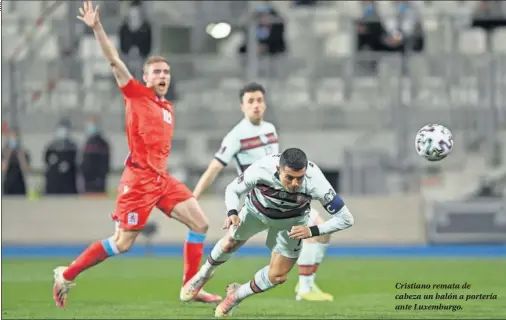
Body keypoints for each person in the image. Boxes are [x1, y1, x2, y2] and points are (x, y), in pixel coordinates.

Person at [52, 0, 221, 308]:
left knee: (200, 224)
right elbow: (115, 62)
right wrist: (97, 27)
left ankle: (190, 287)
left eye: (166, 72)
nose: (163, 76)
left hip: (162, 179)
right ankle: (66, 273)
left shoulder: (168, 108)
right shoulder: (135, 94)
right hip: (139, 180)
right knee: (123, 243)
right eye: (156, 72)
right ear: (145, 77)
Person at [192, 82, 334, 301]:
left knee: (322, 231)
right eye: (250, 101)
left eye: (259, 100)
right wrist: (194, 197)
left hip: (285, 201)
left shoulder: (270, 129)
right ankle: (202, 276)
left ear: (265, 104)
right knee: (230, 243)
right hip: (256, 202)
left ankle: (305, 287)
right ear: (242, 106)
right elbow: (215, 168)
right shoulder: (236, 136)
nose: (256, 105)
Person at [181, 149, 355, 317]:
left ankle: (236, 295)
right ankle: (203, 274)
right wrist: (232, 212)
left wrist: (311, 230)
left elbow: (346, 218)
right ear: (278, 170)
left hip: (292, 222)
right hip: (255, 211)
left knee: (278, 276)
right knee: (229, 243)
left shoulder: (316, 180)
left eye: (299, 179)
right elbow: (233, 188)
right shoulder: (262, 168)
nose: (295, 184)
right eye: (289, 178)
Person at [44, 120, 79, 195]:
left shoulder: (73, 147)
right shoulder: (51, 146)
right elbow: (46, 161)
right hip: (53, 186)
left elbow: (76, 163)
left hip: (68, 186)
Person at [81, 116, 110, 194]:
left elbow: (105, 160)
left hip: (99, 178)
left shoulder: (102, 143)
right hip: (88, 178)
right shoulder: (87, 142)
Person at [2, 129, 30, 196]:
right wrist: (7, 154)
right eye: (11, 137)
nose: (13, 139)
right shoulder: (3, 153)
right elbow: (3, 169)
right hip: (8, 183)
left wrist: (21, 155)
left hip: (19, 183)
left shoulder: (23, 152)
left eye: (15, 137)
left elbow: (26, 169)